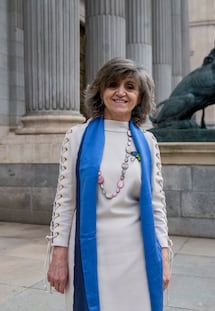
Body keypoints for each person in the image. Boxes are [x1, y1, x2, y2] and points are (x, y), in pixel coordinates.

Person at [46, 57, 171, 311]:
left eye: (130, 86)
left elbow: (157, 205)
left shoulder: (147, 142)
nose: (121, 92)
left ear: (139, 96)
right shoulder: (77, 136)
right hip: (91, 252)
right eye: (113, 84)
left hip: (138, 252)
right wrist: (58, 255)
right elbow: (65, 199)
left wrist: (165, 257)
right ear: (101, 91)